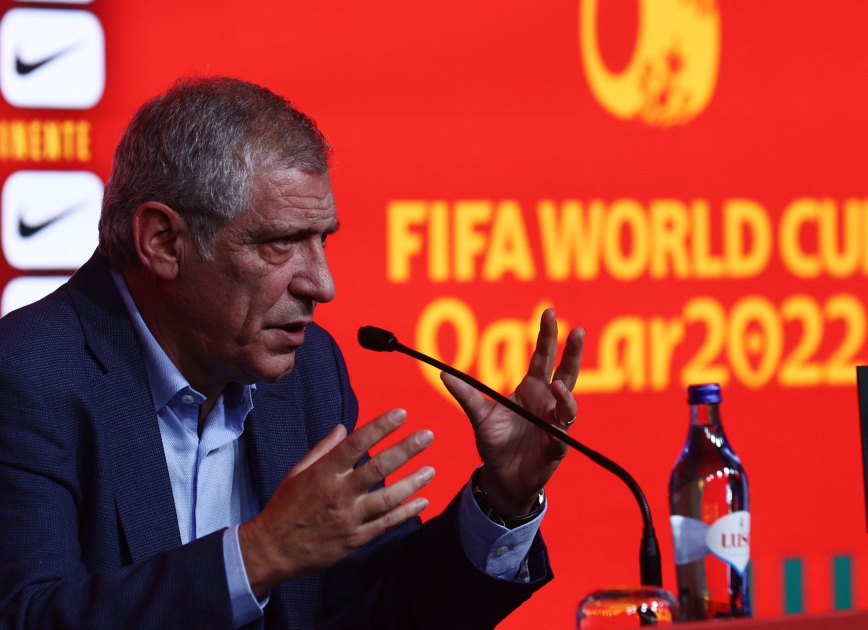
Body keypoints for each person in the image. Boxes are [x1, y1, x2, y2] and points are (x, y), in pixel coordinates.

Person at [0, 77, 584, 629]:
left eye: (321, 239)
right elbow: (26, 615)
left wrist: (502, 502)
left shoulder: (306, 372)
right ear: (162, 242)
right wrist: (259, 555)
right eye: (281, 242)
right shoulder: (29, 373)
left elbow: (375, 609)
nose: (322, 285)